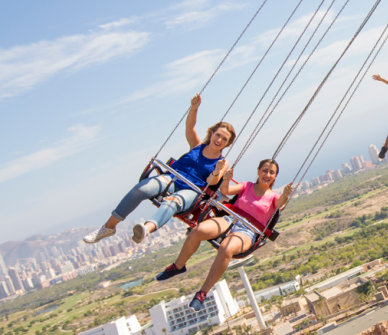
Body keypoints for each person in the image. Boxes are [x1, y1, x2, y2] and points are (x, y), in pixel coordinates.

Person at [84, 94, 236, 245]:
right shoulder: (196, 146)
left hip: (192, 190)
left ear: (227, 144)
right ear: (211, 134)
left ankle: (146, 229)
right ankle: (109, 227)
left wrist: (217, 170)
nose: (219, 140)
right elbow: (190, 127)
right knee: (141, 189)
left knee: (172, 202)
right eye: (218, 135)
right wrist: (194, 108)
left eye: (224, 139)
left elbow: (212, 181)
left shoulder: (222, 162)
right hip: (173, 178)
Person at [154, 159, 293, 311]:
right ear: (258, 171)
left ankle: (202, 294)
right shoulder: (247, 186)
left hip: (248, 230)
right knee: (198, 230)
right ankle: (178, 265)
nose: (267, 174)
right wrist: (226, 180)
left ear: (275, 177)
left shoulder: (274, 197)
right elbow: (226, 191)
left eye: (271, 172)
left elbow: (280, 205)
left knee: (226, 248)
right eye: (264, 170)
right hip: (230, 219)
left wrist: (285, 194)